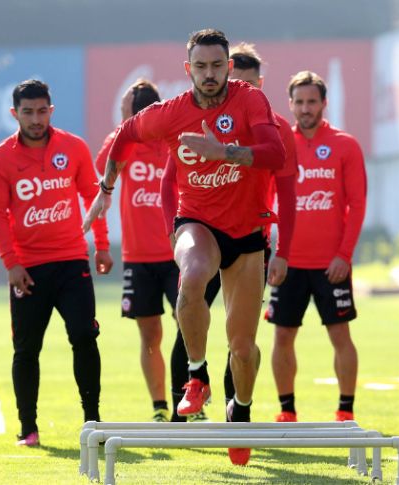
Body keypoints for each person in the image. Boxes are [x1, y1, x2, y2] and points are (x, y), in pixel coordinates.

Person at [83, 29, 286, 465]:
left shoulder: (250, 101)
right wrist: (106, 186)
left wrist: (225, 151)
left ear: (229, 67)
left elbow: (275, 154)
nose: (209, 74)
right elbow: (125, 134)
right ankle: (197, 376)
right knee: (191, 278)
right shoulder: (172, 112)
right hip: (198, 222)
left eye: (217, 66)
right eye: (201, 66)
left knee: (243, 347)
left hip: (248, 232)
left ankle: (241, 413)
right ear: (187, 69)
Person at [158, 42, 298, 413]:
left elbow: (287, 194)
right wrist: (175, 231)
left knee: (240, 343)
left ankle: (238, 406)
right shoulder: (199, 118)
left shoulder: (276, 129)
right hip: (205, 230)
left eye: (250, 85)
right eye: (237, 83)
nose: (241, 92)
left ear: (261, 84)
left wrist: (282, 252)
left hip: (248, 238)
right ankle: (184, 404)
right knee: (189, 306)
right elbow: (170, 180)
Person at [0, 79, 113, 446]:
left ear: (51, 110)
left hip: (73, 261)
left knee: (85, 336)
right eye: (28, 112)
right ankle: (28, 428)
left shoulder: (73, 148)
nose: (36, 119)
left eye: (42, 111)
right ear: (15, 114)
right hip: (28, 269)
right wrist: (11, 263)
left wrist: (101, 245)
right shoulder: (1, 158)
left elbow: (94, 197)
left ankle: (93, 421)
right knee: (26, 349)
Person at [95, 79, 211, 423]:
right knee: (150, 336)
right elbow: (100, 182)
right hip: (137, 258)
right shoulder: (122, 143)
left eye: (124, 113)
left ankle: (191, 403)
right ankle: (160, 407)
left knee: (190, 328)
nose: (122, 120)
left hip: (179, 255)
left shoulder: (175, 140)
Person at [266, 71, 367, 423]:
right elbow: (267, 201)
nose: (305, 108)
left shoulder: (345, 145)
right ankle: (287, 411)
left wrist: (344, 255)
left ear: (324, 103)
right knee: (282, 336)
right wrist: (272, 254)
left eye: (312, 101)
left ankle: (345, 410)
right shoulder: (279, 145)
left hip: (331, 264)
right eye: (299, 102)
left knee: (341, 335)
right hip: (288, 263)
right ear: (290, 104)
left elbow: (357, 205)